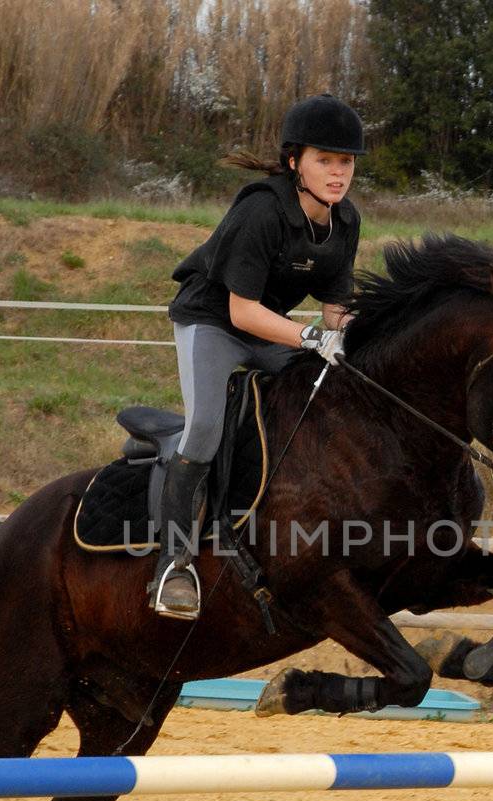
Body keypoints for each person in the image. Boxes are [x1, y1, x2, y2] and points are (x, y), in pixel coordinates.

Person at [151, 93, 364, 619]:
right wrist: (311, 338)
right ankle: (172, 565)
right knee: (203, 427)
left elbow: (336, 312)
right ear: (295, 162)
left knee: (329, 392)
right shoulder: (261, 210)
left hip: (271, 327)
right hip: (212, 321)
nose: (338, 174)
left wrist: (358, 338)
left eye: (346, 162)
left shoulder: (346, 222)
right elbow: (242, 313)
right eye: (325, 161)